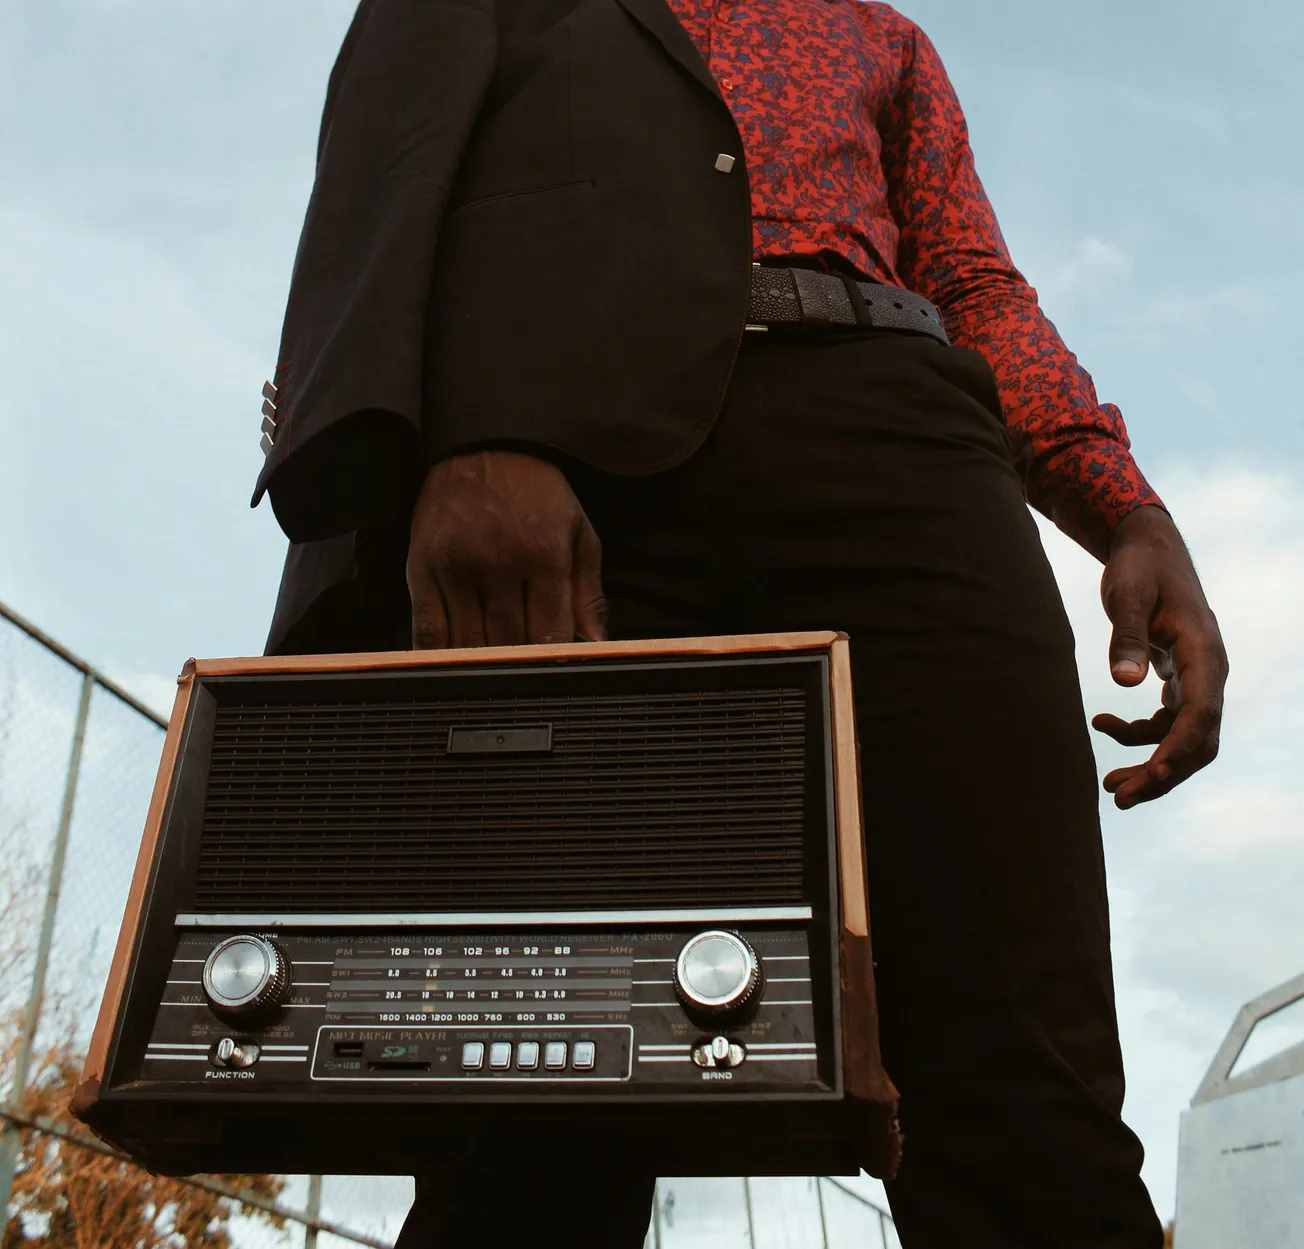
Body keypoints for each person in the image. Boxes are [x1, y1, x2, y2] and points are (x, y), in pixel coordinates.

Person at [252, 1, 1229, 1244]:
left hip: (899, 454)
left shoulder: (881, 36)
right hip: (578, 472)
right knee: (531, 1092)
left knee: (1020, 1096)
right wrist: (468, 434)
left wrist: (1122, 504)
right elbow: (387, 169)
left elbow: (972, 279)